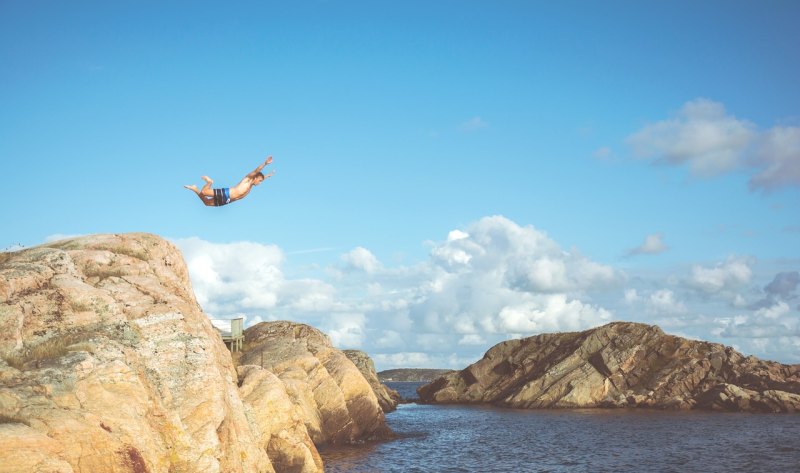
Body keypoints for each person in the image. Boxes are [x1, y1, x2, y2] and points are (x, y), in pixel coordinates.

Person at [184, 157, 274, 206]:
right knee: (204, 192)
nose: (260, 183)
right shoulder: (248, 179)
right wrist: (265, 164)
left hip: (227, 200)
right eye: (260, 181)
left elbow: (259, 178)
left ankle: (195, 188)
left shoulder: (251, 185)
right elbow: (256, 170)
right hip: (226, 193)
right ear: (255, 178)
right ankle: (210, 182)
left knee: (206, 203)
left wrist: (267, 176)